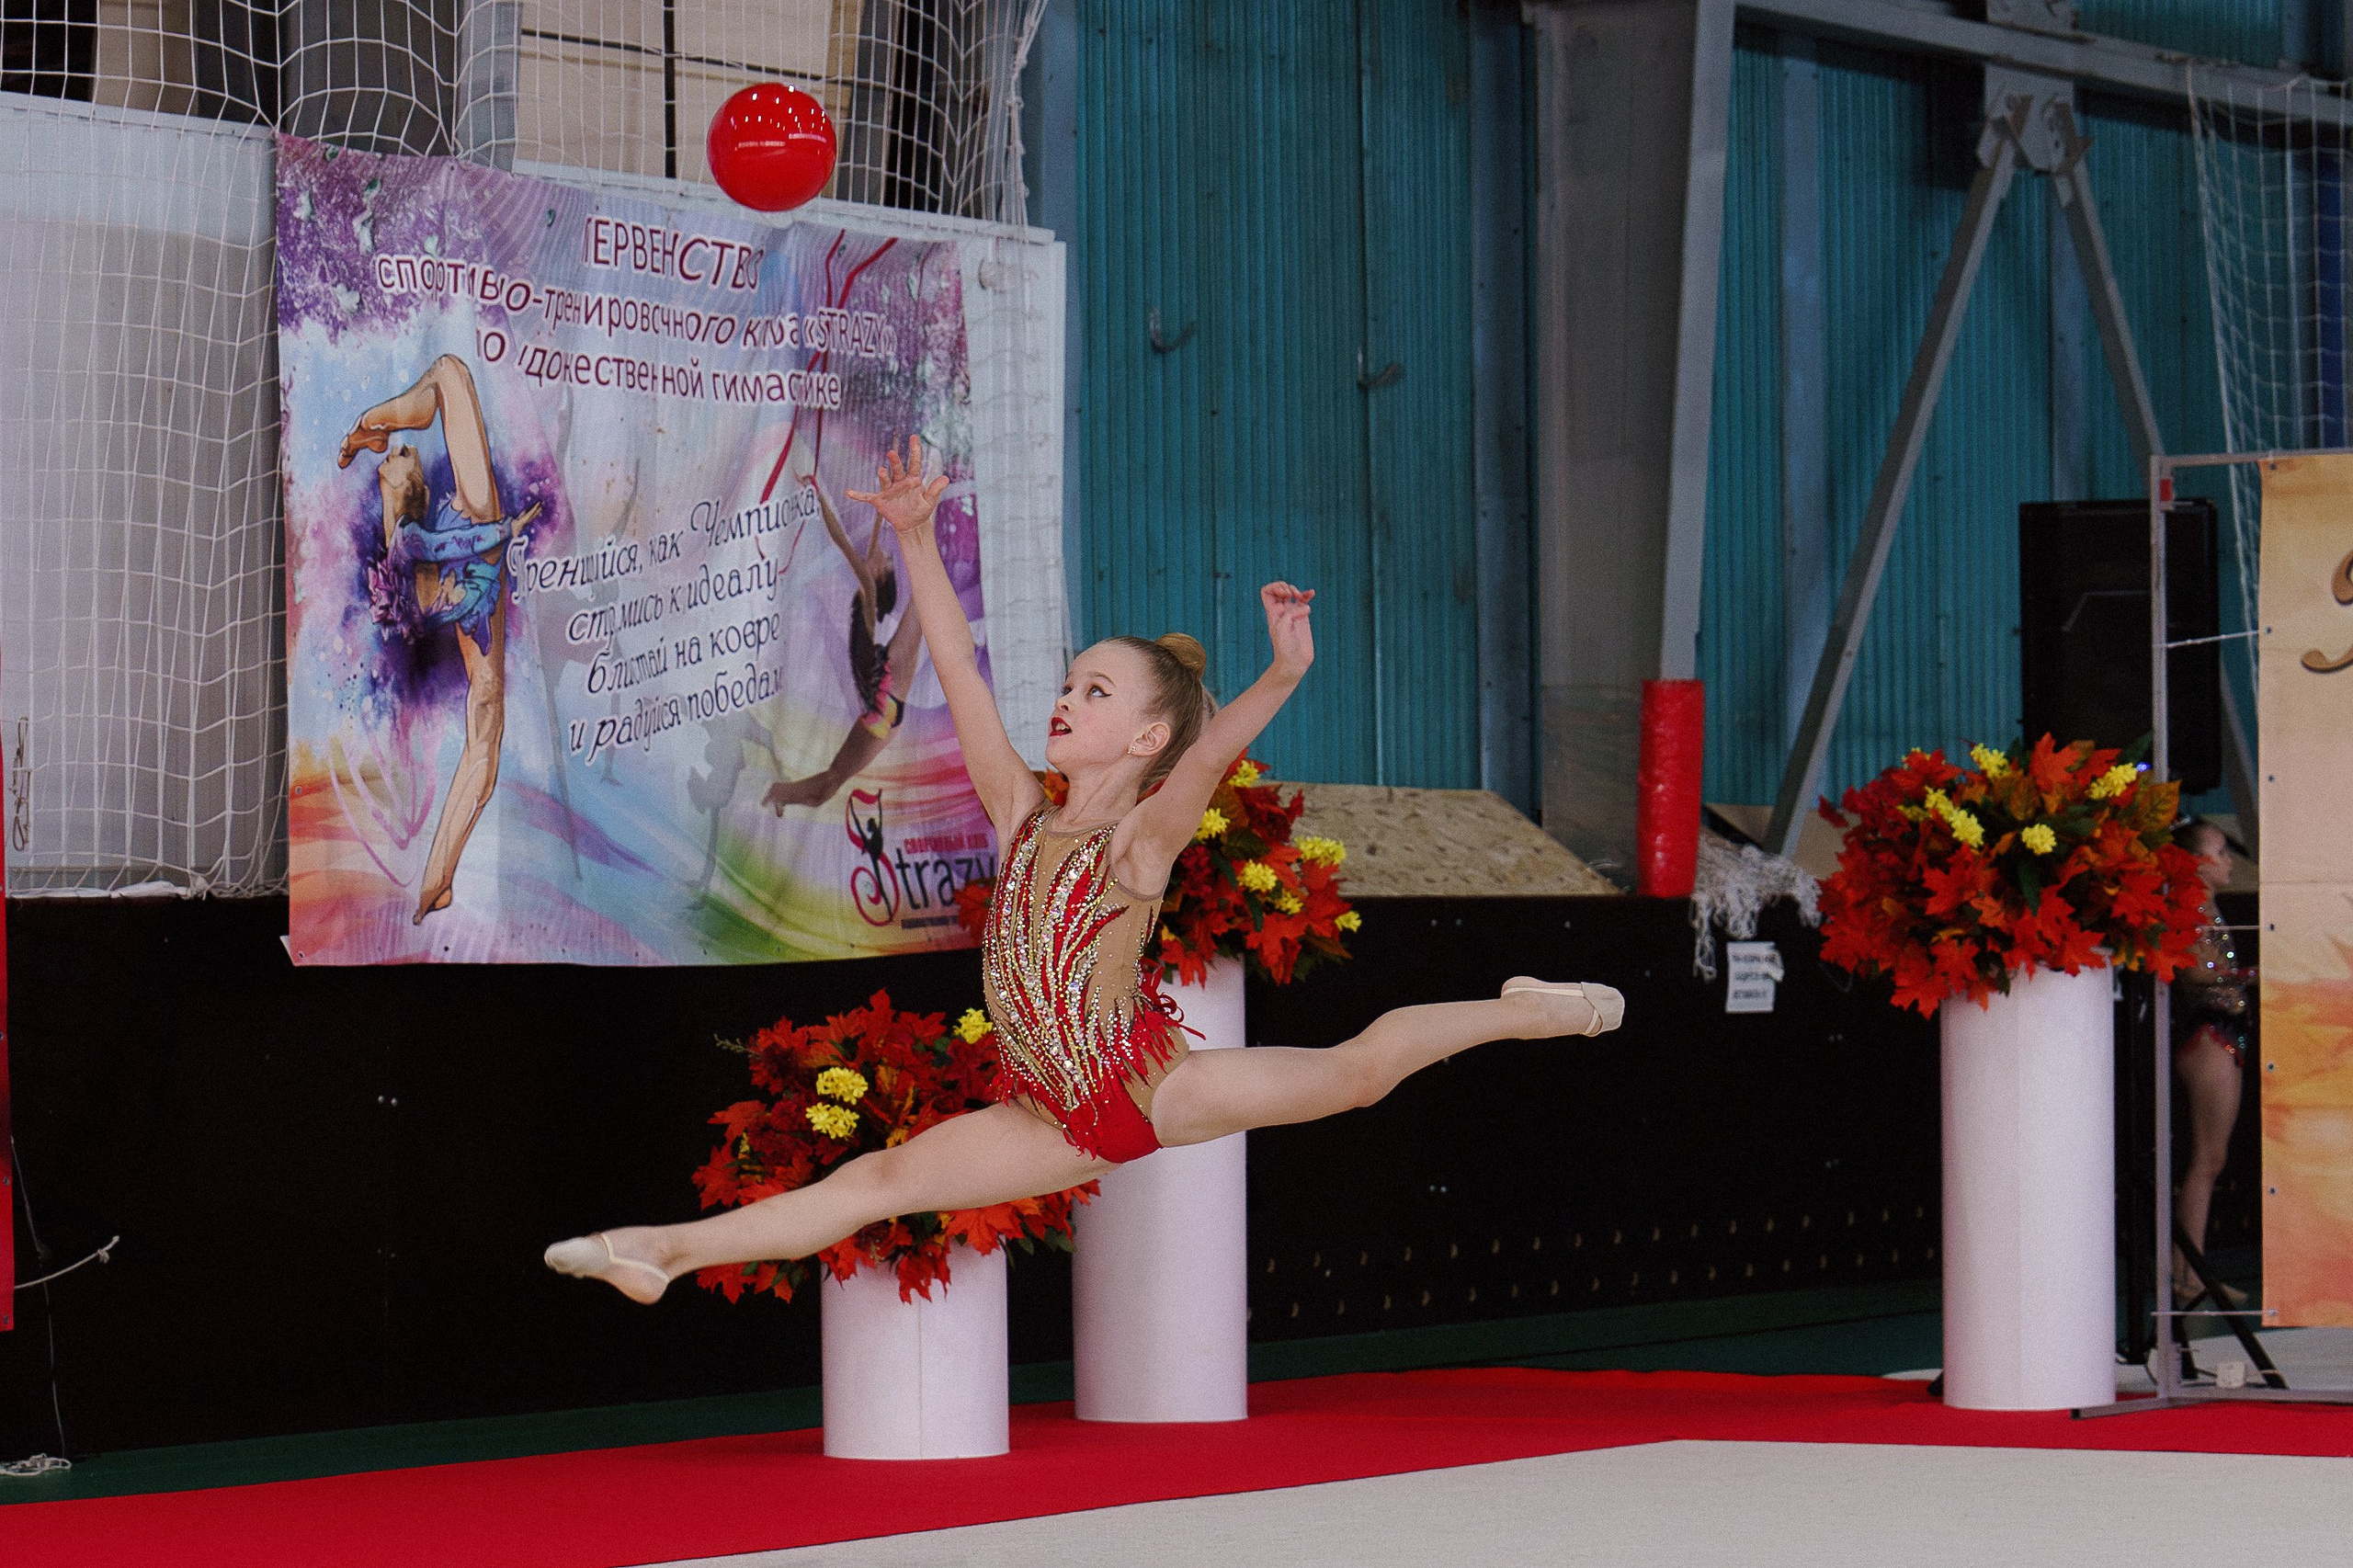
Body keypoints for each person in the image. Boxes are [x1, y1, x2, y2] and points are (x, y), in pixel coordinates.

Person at [545, 436, 1625, 1303]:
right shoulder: (1020, 811)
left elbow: (1206, 759)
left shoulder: (1136, 845)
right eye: (1067, 684)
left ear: (1146, 738)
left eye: (1094, 692)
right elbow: (958, 669)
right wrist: (913, 537)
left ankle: (1530, 1009)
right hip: (1045, 1112)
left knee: (1354, 1073)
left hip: (1146, 1087)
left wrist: (1282, 672)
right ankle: (662, 1248)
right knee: (876, 1178)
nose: (1065, 699)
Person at [339, 355, 533, 926]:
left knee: (486, 723)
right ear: (408, 486)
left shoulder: (404, 538)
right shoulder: (409, 538)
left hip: (470, 587)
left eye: (397, 451)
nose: (407, 452)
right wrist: (504, 529)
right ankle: (437, 880)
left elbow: (448, 556)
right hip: (473, 558)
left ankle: (438, 880)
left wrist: (368, 432)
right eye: (399, 456)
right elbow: (453, 546)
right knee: (449, 373)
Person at [762, 470, 926, 813]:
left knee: (830, 781)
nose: (877, 553)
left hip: (883, 699)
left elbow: (840, 539)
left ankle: (780, 793)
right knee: (830, 783)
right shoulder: (867, 596)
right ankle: (781, 793)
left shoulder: (867, 593)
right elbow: (858, 540)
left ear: (879, 574)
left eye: (884, 558)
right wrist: (880, 497)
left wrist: (820, 495)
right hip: (884, 706)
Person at [2170, 816, 2255, 1307]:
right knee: (2206, 1158)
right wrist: (2250, 974)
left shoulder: (2207, 907)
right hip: (2209, 1034)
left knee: (2212, 1158)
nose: (2228, 862)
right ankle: (2188, 1275)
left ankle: (2192, 1269)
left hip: (2224, 1031)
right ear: (2196, 862)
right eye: (2219, 852)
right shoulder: (2188, 908)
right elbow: (2197, 972)